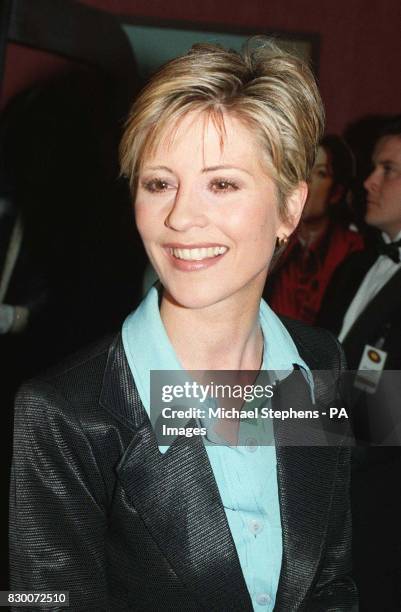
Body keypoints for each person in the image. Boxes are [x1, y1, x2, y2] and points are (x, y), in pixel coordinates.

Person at [10, 40, 357, 610]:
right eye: (159, 183)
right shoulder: (65, 413)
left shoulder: (319, 363)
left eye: (221, 184)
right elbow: (38, 600)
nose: (179, 218)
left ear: (290, 209)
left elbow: (331, 578)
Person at [318, 115, 401, 611]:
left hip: (384, 528)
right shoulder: (354, 267)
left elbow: (385, 418)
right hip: (329, 513)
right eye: (373, 167)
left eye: (388, 169)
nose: (368, 182)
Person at [265, 135, 363, 324]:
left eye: (320, 173)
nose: (306, 181)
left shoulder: (352, 248)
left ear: (337, 191)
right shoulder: (272, 233)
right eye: (303, 170)